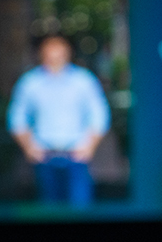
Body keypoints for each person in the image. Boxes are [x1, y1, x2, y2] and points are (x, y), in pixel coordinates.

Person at [7, 33, 110, 207]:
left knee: (80, 208)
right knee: (49, 209)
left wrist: (89, 145)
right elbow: (17, 117)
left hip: (76, 157)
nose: (55, 56)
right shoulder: (30, 82)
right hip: (44, 157)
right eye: (50, 51)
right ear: (42, 53)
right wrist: (29, 147)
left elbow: (99, 115)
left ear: (68, 52)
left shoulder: (83, 81)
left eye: (59, 51)